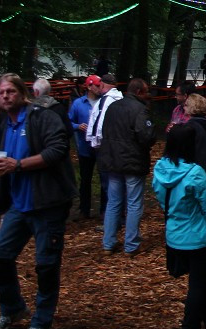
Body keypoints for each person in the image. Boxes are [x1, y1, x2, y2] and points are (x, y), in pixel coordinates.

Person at [0, 73, 77, 329]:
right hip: (17, 204)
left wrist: (19, 165)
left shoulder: (42, 117)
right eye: (1, 92)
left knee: (46, 264)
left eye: (10, 91)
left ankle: (42, 321)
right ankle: (12, 309)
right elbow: (0, 163)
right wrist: (2, 209)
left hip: (48, 202)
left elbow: (57, 150)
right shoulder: (3, 124)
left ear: (22, 93)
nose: (5, 96)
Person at [152, 122, 206, 329]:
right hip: (199, 238)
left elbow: (161, 200)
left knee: (203, 282)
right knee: (199, 285)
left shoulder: (159, 170)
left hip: (175, 235)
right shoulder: (195, 174)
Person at [98, 79, 157, 257]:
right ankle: (131, 245)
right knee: (133, 203)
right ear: (139, 91)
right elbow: (146, 136)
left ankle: (108, 242)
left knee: (114, 202)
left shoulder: (113, 107)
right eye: (146, 91)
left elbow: (105, 131)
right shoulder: (139, 110)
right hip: (132, 161)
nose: (148, 94)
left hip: (113, 160)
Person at [85, 74, 123, 217]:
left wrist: (95, 142)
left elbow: (99, 125)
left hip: (105, 148)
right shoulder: (119, 99)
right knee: (114, 183)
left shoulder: (106, 101)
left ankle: (112, 218)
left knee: (108, 184)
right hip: (116, 146)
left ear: (102, 85)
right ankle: (115, 217)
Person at [67, 75, 102, 220]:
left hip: (101, 148)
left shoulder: (104, 103)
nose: (100, 88)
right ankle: (84, 209)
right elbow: (68, 121)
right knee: (85, 180)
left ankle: (104, 210)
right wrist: (77, 126)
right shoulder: (78, 104)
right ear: (89, 87)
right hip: (85, 148)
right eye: (97, 86)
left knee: (104, 179)